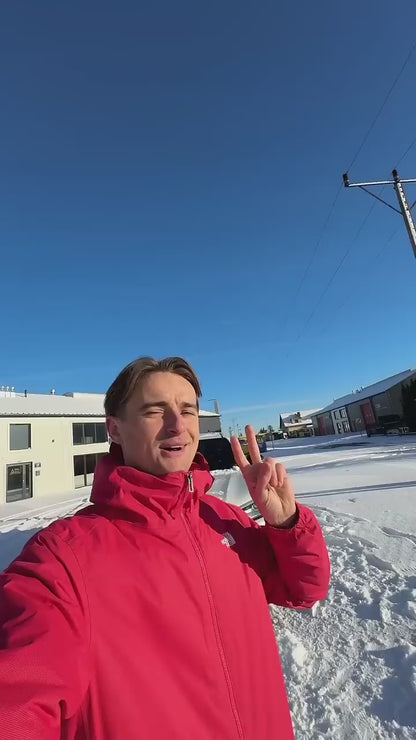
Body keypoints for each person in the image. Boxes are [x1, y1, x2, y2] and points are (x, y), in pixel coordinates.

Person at [0, 356, 330, 739]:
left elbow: (305, 589)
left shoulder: (223, 519)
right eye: (155, 411)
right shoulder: (63, 558)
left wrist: (287, 523)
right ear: (115, 429)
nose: (178, 425)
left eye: (187, 410)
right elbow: (17, 702)